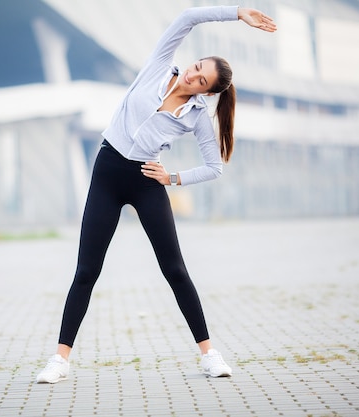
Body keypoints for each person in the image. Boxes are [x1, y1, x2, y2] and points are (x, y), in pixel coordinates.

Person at [36, 5, 277, 384]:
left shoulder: (197, 116)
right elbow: (187, 18)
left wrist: (173, 178)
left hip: (148, 181)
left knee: (175, 270)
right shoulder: (160, 65)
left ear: (207, 92)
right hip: (107, 172)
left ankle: (209, 354)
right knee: (87, 271)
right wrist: (236, 14)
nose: (192, 76)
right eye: (197, 67)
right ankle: (59, 360)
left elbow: (214, 167)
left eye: (201, 81)